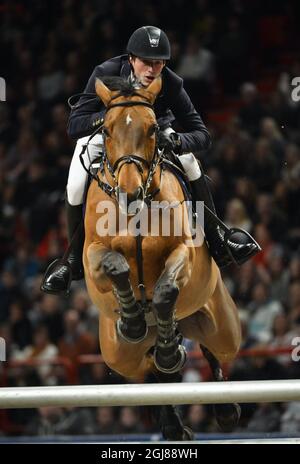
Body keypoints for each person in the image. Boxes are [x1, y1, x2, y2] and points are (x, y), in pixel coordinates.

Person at [41, 26, 260, 296]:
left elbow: (202, 134)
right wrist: (109, 117)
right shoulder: (105, 73)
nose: (152, 70)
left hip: (152, 134)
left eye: (158, 63)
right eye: (146, 62)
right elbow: (74, 126)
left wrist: (178, 142)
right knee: (75, 183)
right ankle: (73, 260)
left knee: (191, 162)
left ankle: (216, 237)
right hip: (110, 134)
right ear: (131, 59)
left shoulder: (170, 82)